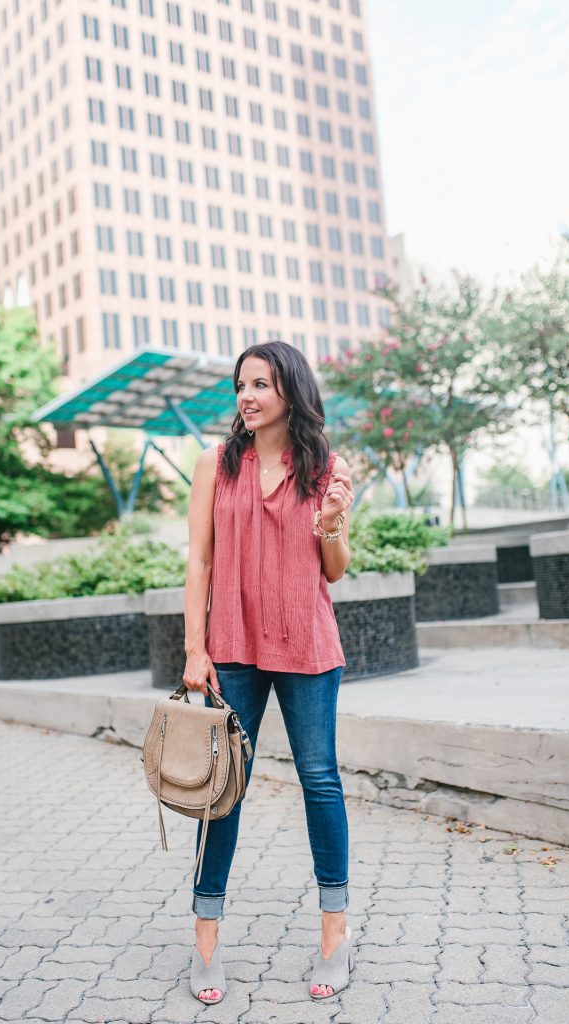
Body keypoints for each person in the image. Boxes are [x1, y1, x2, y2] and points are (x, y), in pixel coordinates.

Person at [182, 341, 355, 1004]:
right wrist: (195, 649)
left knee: (319, 781)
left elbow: (332, 568)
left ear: (291, 390)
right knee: (220, 791)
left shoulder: (323, 466)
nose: (246, 396)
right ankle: (204, 941)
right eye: (240, 385)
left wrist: (333, 524)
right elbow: (198, 561)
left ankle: (334, 934)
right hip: (231, 648)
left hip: (307, 645)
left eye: (260, 383)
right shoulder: (214, 463)